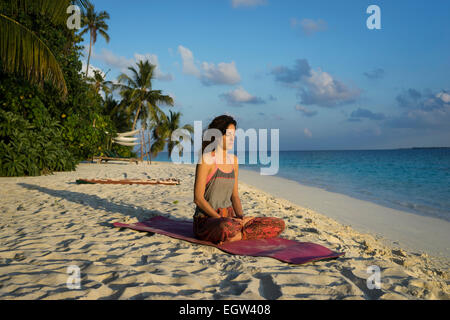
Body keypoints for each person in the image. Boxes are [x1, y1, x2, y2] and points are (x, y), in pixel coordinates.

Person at [193, 115, 285, 245]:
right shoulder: (206, 160)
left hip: (230, 219)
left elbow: (235, 196)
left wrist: (241, 218)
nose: (233, 138)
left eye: (234, 135)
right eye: (229, 134)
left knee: (279, 224)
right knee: (225, 226)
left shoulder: (234, 160)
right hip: (208, 220)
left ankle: (238, 235)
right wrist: (219, 218)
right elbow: (198, 199)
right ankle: (238, 234)